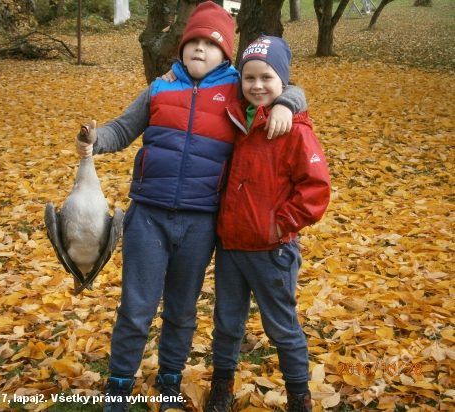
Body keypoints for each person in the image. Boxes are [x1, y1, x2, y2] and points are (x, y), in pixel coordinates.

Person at [75, 4, 307, 411]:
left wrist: (288, 103)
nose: (200, 48)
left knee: (182, 311)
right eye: (193, 41)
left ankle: (168, 383)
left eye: (211, 43)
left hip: (201, 222)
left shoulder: (238, 90)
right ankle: (117, 389)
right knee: (136, 308)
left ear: (226, 54)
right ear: (181, 49)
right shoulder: (159, 88)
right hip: (148, 215)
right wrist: (96, 140)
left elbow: (281, 87)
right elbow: (123, 127)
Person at [204, 36, 331, 412]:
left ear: (283, 83)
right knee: (226, 323)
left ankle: (298, 396)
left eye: (267, 78)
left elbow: (316, 188)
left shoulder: (293, 130)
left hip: (272, 251)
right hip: (231, 247)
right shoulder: (235, 119)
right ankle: (222, 386)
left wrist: (281, 226)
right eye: (249, 78)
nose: (257, 86)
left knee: (281, 327)